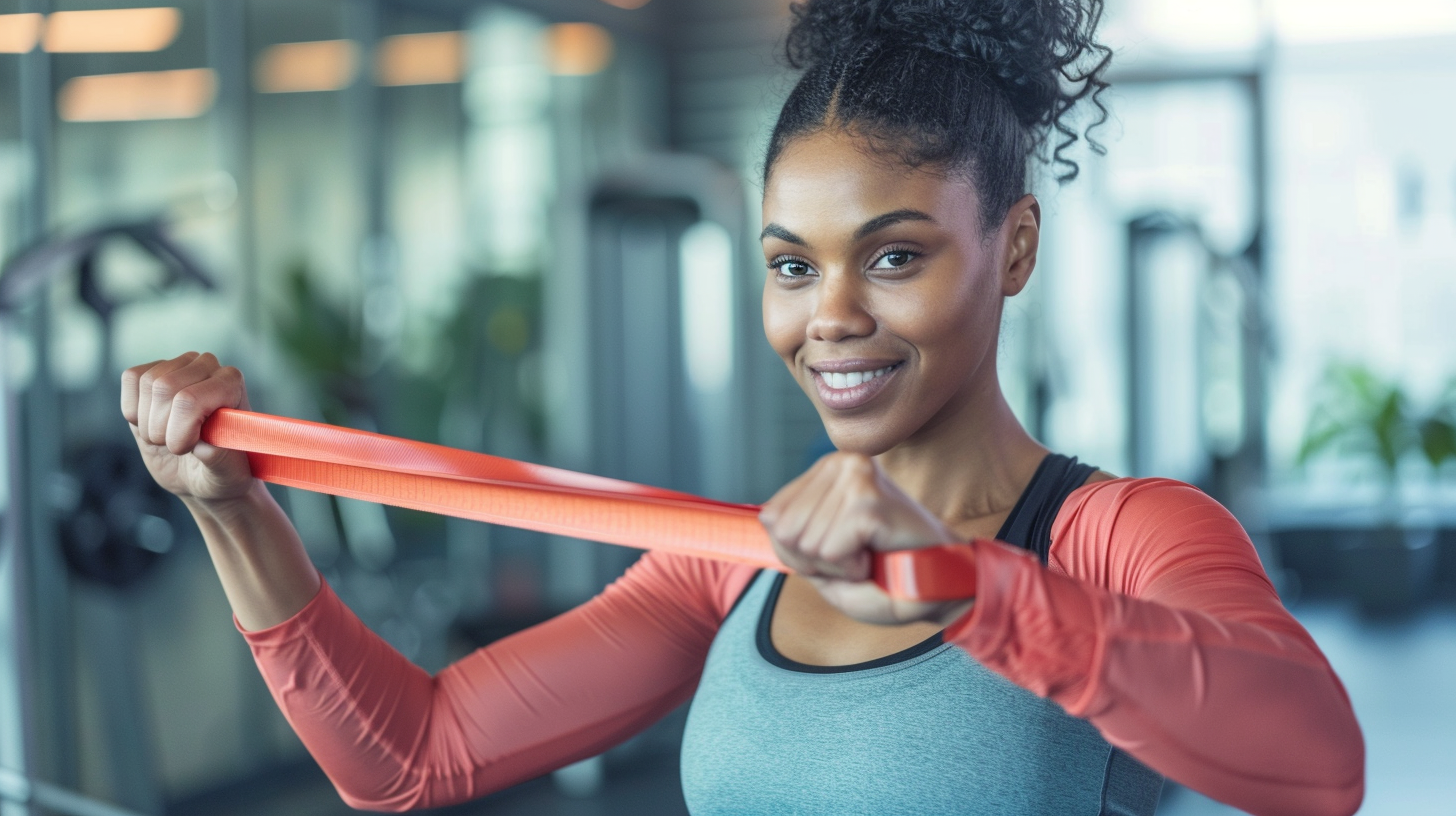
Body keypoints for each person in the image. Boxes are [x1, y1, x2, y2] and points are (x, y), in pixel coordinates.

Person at [120, 1, 1364, 814]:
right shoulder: (727, 568)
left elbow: (1319, 764)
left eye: (892, 256)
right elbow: (410, 756)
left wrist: (966, 587)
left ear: (1015, 246)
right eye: (789, 264)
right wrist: (228, 513)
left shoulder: (1116, 535)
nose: (827, 316)